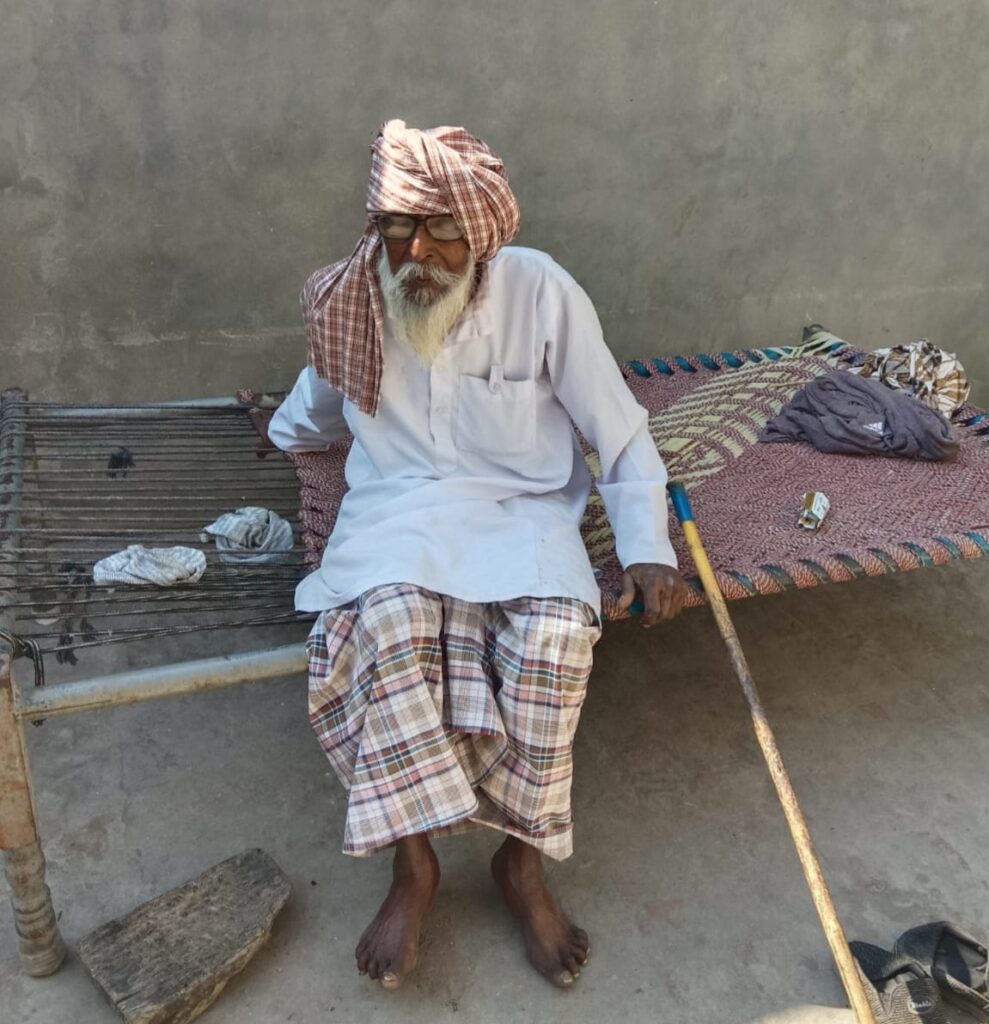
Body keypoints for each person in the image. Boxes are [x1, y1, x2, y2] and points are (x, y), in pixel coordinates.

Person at [268, 119, 690, 991]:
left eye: (442, 229)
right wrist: (287, 431)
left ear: (483, 233)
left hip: (520, 518)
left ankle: (519, 863)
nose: (417, 251)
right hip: (395, 518)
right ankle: (412, 864)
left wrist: (648, 546)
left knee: (556, 640)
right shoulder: (358, 301)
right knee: (386, 625)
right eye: (398, 227)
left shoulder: (540, 290)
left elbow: (616, 427)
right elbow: (307, 416)